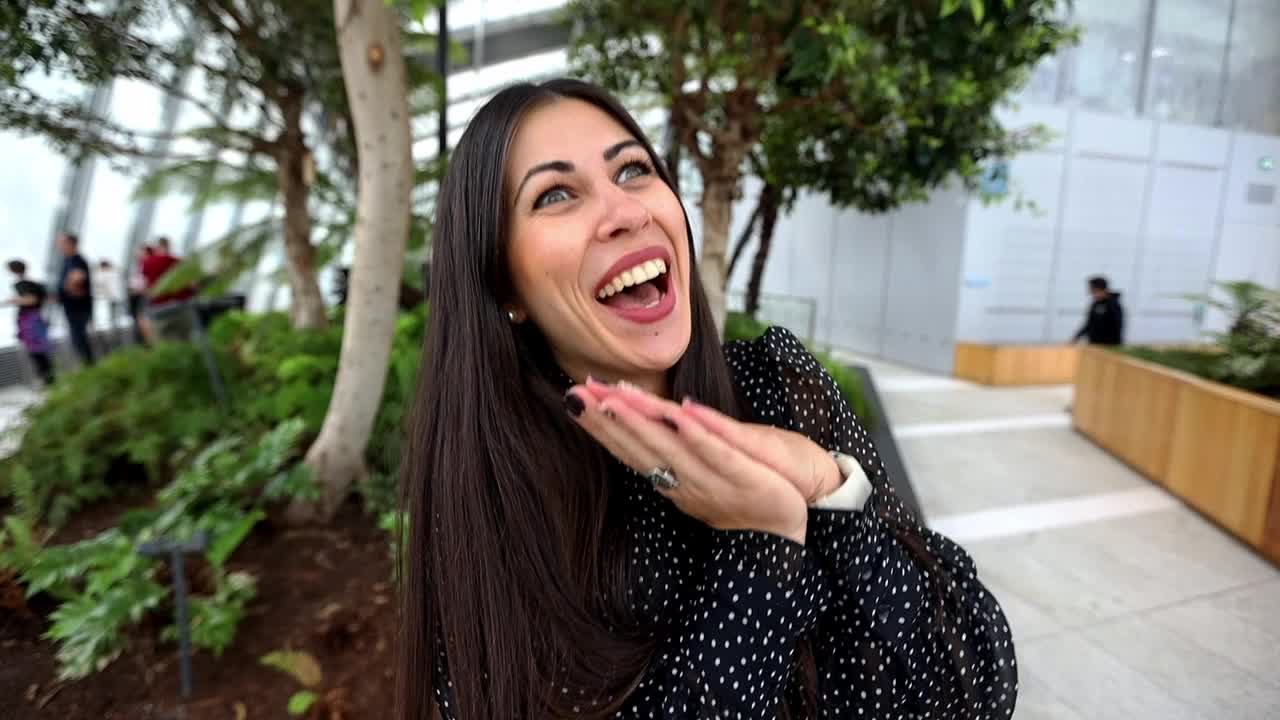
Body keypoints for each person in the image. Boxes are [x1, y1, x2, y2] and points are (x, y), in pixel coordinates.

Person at [398, 79, 1017, 720]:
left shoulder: (781, 389)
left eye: (634, 170)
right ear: (504, 286)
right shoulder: (498, 502)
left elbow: (973, 688)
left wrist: (827, 489)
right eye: (556, 194)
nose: (627, 212)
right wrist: (764, 539)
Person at [5, 260, 55, 386]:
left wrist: (12, 301)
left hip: (29, 320)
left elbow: (31, 299)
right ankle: (49, 378)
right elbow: (47, 298)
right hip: (37, 318)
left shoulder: (21, 284)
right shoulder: (37, 284)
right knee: (40, 350)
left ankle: (47, 380)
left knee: (35, 351)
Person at [140, 237, 196, 342]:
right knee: (186, 339)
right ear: (169, 246)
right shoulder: (177, 261)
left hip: (159, 308)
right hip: (180, 306)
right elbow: (191, 283)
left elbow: (146, 287)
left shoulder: (147, 263)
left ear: (157, 247)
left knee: (164, 342)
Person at [55, 231, 95, 365]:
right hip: (71, 307)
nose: (59, 246)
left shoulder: (77, 260)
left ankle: (89, 367)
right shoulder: (67, 261)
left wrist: (65, 288)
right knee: (77, 339)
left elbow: (77, 279)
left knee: (80, 339)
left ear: (70, 243)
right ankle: (88, 366)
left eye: (62, 243)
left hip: (79, 308)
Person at [1072, 275, 1125, 346]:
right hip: (1094, 344)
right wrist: (1076, 337)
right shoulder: (1095, 304)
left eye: (1091, 288)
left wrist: (1113, 344)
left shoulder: (1113, 304)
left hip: (1109, 345)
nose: (1089, 291)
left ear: (1098, 288)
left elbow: (1118, 326)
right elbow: (1089, 324)